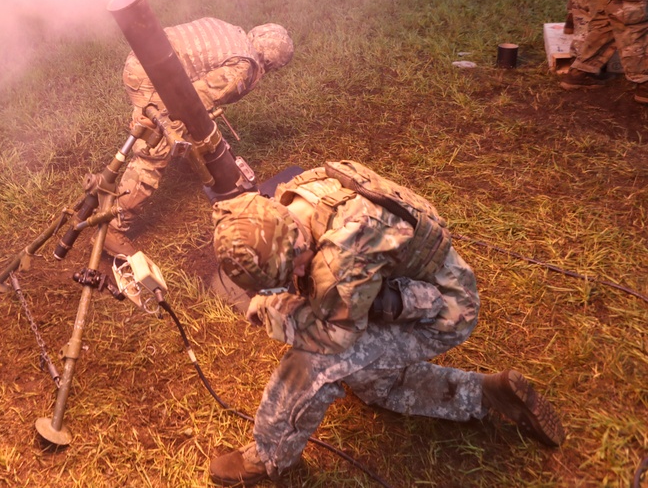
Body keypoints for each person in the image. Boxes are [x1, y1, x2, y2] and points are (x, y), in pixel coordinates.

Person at [207, 161, 565, 486]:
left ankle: (270, 457)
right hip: (411, 284)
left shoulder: (339, 258)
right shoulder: (300, 193)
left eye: (297, 263)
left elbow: (334, 337)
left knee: (313, 364)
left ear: (293, 235)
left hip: (444, 311)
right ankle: (485, 394)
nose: (298, 273)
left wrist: (275, 312)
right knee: (372, 381)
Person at [103, 17, 293, 257]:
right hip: (151, 78)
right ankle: (114, 226)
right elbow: (192, 101)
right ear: (271, 62)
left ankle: (184, 157)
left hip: (143, 58)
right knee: (153, 154)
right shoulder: (244, 68)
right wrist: (165, 124)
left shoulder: (230, 31)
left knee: (185, 122)